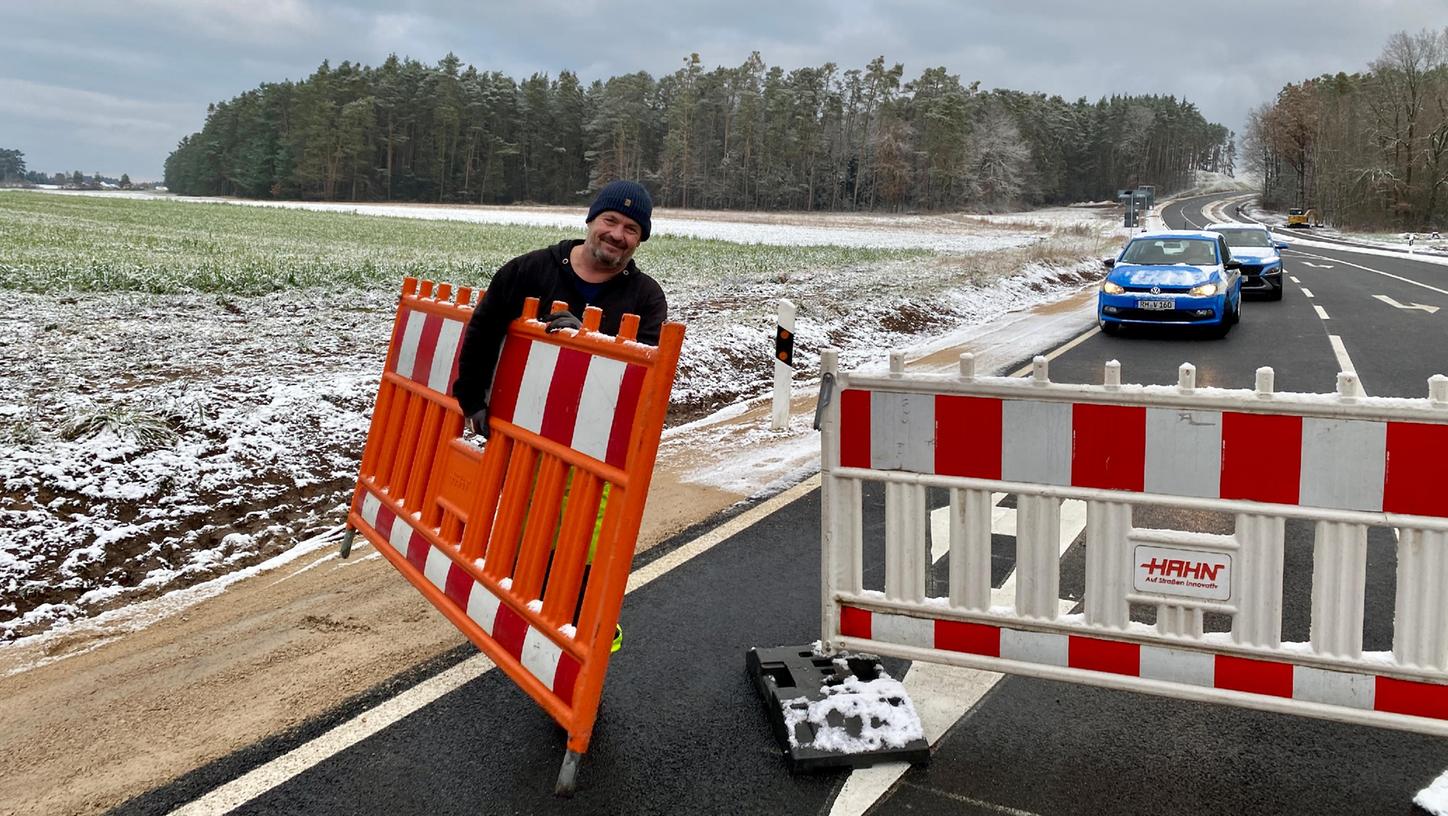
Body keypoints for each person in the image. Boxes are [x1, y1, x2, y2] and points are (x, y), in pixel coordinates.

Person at [452, 179, 668, 436]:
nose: (618, 235)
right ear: (591, 220)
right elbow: (483, 332)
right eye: (610, 220)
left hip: (592, 437)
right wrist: (473, 401)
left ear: (640, 239)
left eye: (631, 228)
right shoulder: (529, 271)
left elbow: (644, 380)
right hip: (518, 425)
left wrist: (590, 343)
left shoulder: (647, 298)